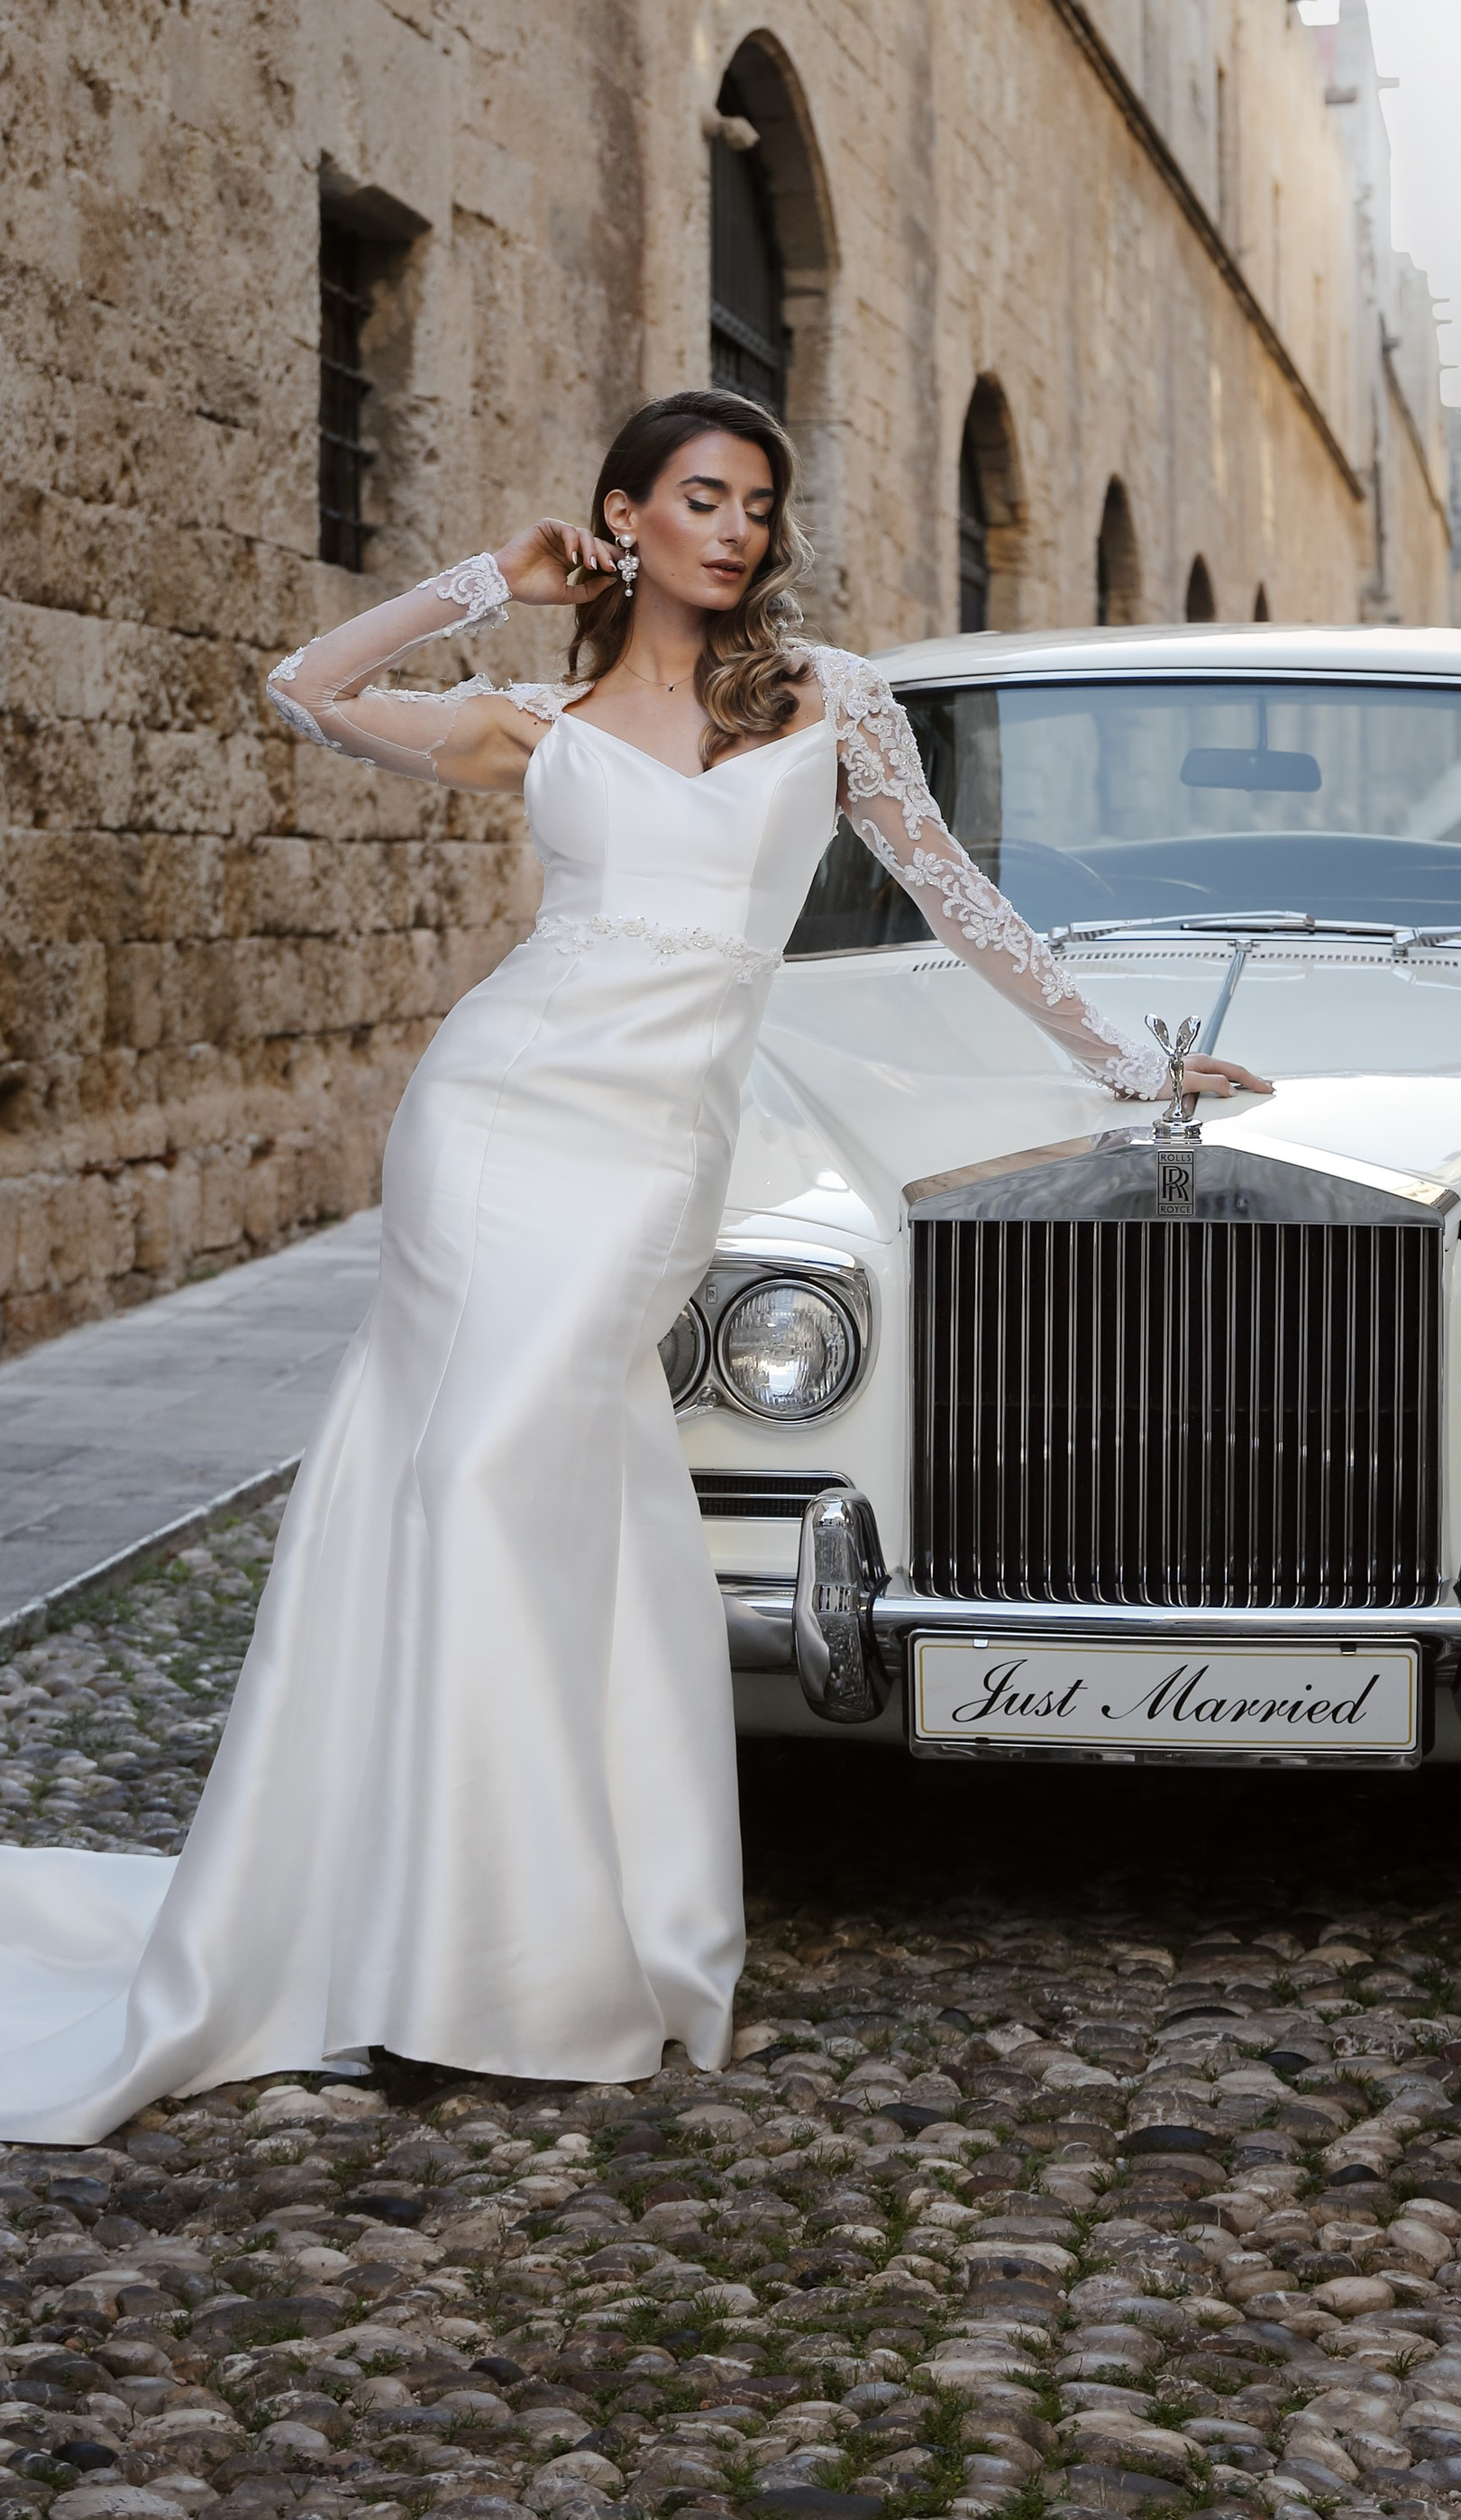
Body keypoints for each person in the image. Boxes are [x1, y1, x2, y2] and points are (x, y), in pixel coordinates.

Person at [0, 390, 1267, 2141]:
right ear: (624, 516)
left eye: (756, 502)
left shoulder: (832, 702)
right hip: (491, 1121)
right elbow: (304, 687)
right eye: (697, 496)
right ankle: (433, 1965)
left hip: (645, 1156)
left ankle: (506, 1947)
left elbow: (962, 901)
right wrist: (484, 580)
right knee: (454, 1472)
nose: (735, 528)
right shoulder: (542, 719)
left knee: (518, 1469)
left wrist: (1125, 1053)